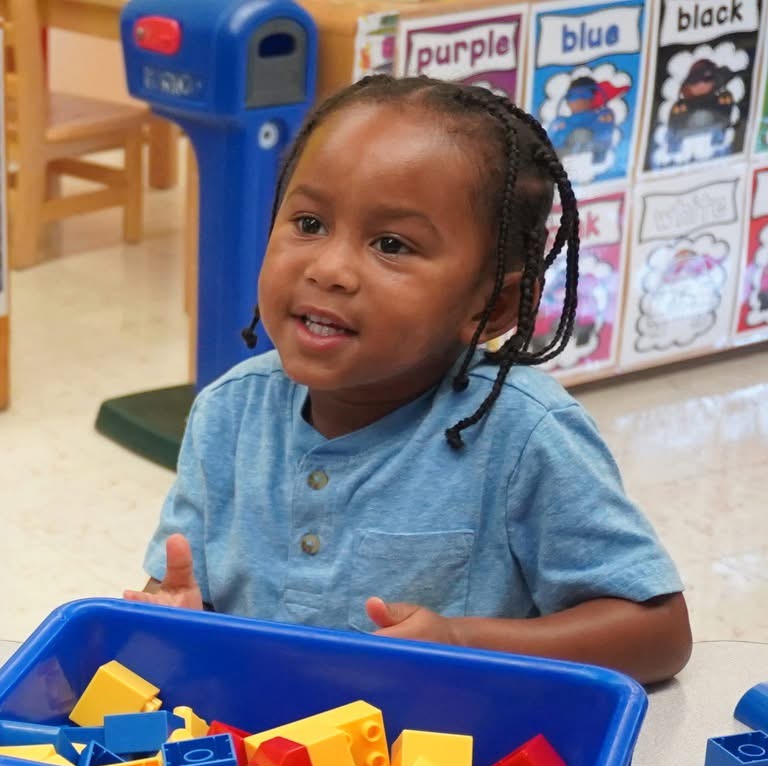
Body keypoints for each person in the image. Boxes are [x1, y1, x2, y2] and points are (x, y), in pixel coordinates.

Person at [128, 76, 691, 685]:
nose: (329, 268)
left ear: (494, 306)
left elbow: (658, 632)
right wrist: (179, 623)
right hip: (257, 761)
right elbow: (180, 586)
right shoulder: (227, 413)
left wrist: (460, 641)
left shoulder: (523, 434)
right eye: (310, 223)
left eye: (391, 244)